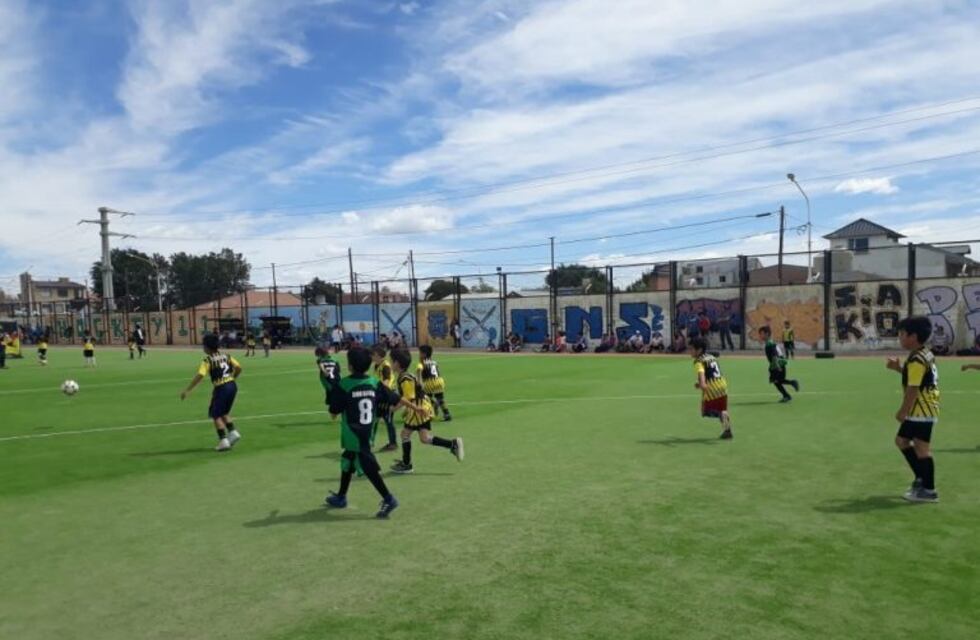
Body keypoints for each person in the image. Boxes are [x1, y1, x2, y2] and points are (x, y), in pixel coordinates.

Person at [325, 346, 416, 519]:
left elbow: (333, 413)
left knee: (368, 468)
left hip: (353, 434)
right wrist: (416, 408)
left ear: (350, 365)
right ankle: (341, 496)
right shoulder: (374, 383)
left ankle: (389, 498)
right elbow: (396, 398)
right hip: (367, 432)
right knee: (348, 461)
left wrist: (333, 394)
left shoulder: (344, 385)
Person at [886, 317, 940, 503]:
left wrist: (903, 411)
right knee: (901, 441)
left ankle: (929, 489)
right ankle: (921, 479)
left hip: (920, 411)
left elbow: (913, 387)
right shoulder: (924, 353)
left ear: (913, 336)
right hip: (924, 410)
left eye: (902, 334)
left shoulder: (917, 358)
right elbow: (918, 378)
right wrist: (898, 368)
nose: (899, 338)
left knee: (921, 449)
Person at [389, 348, 463, 474]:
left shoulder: (404, 378)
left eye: (392, 361)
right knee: (424, 438)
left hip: (419, 409)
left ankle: (407, 464)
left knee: (405, 435)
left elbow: (408, 397)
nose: (390, 363)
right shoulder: (406, 376)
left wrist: (393, 409)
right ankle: (452, 444)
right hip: (423, 406)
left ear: (397, 363)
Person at [180, 334, 243, 452]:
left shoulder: (207, 360)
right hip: (232, 386)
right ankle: (233, 432)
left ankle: (223, 440)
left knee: (215, 414)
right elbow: (239, 367)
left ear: (208, 347)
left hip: (221, 387)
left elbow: (200, 375)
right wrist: (233, 377)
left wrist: (188, 390)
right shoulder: (227, 356)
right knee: (224, 411)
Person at [690, 337, 733, 439]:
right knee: (721, 408)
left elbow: (701, 372)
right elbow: (711, 372)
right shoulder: (711, 357)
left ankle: (721, 414)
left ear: (699, 350)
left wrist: (702, 383)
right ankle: (727, 431)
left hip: (711, 387)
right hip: (722, 384)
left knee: (705, 411)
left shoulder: (698, 361)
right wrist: (700, 383)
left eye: (692, 349)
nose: (690, 351)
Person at [759, 325, 799, 402]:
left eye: (762, 333)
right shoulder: (771, 342)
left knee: (776, 381)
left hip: (777, 364)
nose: (760, 335)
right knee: (779, 381)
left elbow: (774, 355)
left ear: (767, 334)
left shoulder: (769, 344)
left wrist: (777, 366)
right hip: (779, 363)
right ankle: (789, 389)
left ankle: (788, 393)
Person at [370, 345, 399, 453]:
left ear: (378, 355)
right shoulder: (377, 365)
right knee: (375, 419)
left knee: (387, 420)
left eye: (373, 355)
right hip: (380, 395)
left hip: (387, 396)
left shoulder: (385, 366)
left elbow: (386, 382)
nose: (371, 357)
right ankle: (370, 442)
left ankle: (392, 443)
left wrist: (375, 386)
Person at [418, 344, 452, 421]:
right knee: (440, 398)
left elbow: (422, 375)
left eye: (420, 353)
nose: (419, 355)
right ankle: (447, 414)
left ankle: (431, 411)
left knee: (426, 398)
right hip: (439, 381)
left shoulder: (422, 363)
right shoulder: (434, 362)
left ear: (424, 354)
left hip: (429, 382)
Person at [316, 344, 342, 410]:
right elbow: (339, 371)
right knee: (337, 396)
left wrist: (324, 371)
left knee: (332, 400)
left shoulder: (320, 360)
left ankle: (335, 410)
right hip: (337, 381)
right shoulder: (335, 360)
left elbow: (321, 365)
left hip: (328, 382)